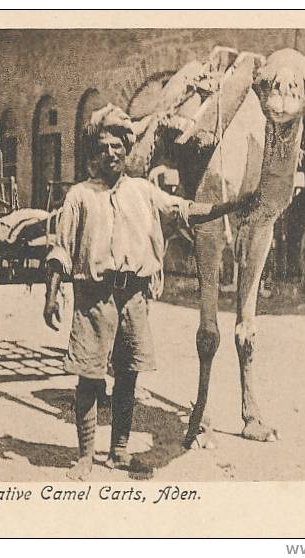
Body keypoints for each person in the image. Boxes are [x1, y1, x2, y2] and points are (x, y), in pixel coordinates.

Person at [43, 104, 258, 480]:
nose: (112, 154)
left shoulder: (144, 192)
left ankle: (120, 452)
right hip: (95, 298)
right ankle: (85, 456)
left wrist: (233, 205)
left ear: (128, 151)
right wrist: (52, 295)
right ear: (93, 153)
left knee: (128, 376)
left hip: (134, 298)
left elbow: (185, 211)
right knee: (90, 378)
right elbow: (60, 250)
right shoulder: (79, 197)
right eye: (104, 147)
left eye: (119, 147)